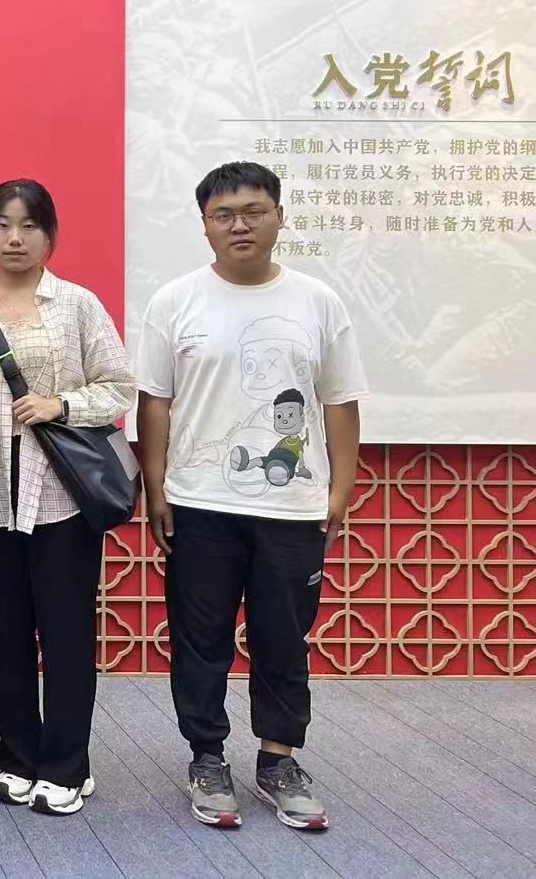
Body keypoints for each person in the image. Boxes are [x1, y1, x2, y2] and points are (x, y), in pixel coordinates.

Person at [135, 162, 365, 832]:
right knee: (200, 640)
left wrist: (339, 491)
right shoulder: (175, 301)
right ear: (205, 225)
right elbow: (154, 403)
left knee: (283, 639)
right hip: (199, 503)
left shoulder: (318, 302)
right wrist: (156, 488)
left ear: (279, 216)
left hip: (291, 510)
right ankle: (207, 757)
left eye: (254, 211)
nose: (240, 225)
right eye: (224, 215)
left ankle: (278, 759)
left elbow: (341, 402)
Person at [0, 179, 134, 817]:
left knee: (65, 634)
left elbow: (120, 386)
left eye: (29, 225)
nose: (15, 238)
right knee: (4, 633)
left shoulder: (77, 304)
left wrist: (62, 404)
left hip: (62, 497)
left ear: (50, 235)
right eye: (2, 225)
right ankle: (17, 757)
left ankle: (65, 765)